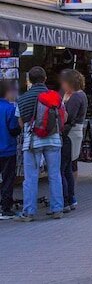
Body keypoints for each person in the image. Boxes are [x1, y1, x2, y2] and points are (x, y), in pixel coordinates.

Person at [17, 66, 64, 220]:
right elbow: (64, 116)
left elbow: (20, 123)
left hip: (32, 142)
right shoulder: (55, 96)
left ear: (29, 80)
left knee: (30, 177)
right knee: (54, 175)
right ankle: (57, 209)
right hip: (53, 140)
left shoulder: (23, 98)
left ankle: (29, 212)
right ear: (45, 79)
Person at [59, 69, 87, 212]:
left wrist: (63, 102)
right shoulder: (82, 95)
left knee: (62, 168)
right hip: (76, 134)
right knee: (68, 167)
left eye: (64, 82)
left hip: (70, 135)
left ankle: (64, 200)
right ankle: (71, 198)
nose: (62, 86)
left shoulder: (75, 97)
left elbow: (67, 117)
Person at [0, 80, 19, 220]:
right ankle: (5, 208)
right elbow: (13, 129)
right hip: (7, 149)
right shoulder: (10, 109)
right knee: (7, 179)